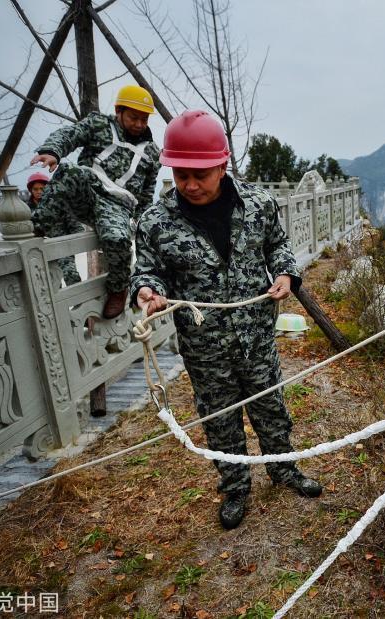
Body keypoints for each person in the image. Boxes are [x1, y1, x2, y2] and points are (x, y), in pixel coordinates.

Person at [131, 109, 322, 530]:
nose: (190, 185)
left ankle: (282, 468)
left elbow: (278, 245)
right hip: (205, 347)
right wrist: (146, 290)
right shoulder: (156, 222)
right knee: (219, 418)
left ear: (222, 165)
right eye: (181, 175)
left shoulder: (258, 205)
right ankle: (235, 486)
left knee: (270, 406)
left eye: (200, 174)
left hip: (256, 334)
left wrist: (286, 274)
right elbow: (146, 269)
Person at [30, 84, 161, 318]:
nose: (139, 124)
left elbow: (147, 193)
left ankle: (118, 289)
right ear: (119, 111)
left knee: (117, 239)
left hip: (118, 204)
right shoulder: (99, 125)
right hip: (88, 188)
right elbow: (70, 134)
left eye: (144, 119)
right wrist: (53, 150)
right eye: (134, 117)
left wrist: (143, 222)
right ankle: (39, 225)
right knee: (68, 171)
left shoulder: (151, 153)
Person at [26, 171, 82, 286]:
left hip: (62, 246)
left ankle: (80, 303)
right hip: (41, 250)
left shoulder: (58, 202)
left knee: (71, 275)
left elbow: (73, 222)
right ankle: (62, 304)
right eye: (35, 189)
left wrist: (78, 238)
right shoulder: (26, 210)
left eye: (42, 188)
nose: (39, 192)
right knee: (52, 282)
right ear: (31, 190)